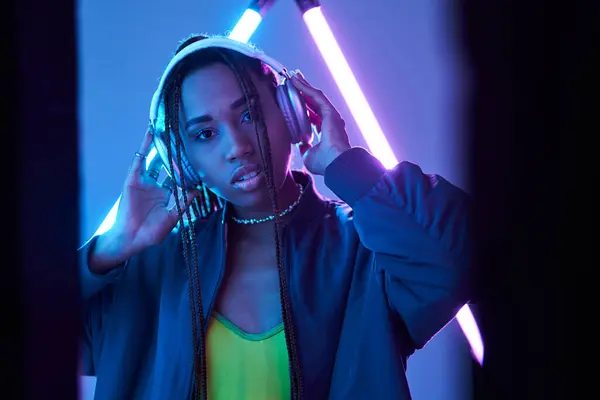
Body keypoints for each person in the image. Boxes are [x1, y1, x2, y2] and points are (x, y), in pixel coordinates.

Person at [79, 33, 473, 400]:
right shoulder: (154, 269)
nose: (237, 146)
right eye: (204, 134)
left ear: (293, 112)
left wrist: (348, 167)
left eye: (249, 113)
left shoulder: (365, 250)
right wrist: (109, 249)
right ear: (183, 161)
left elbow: (459, 258)